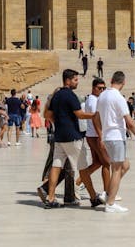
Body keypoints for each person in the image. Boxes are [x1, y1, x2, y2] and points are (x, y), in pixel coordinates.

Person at [95, 71, 135, 213]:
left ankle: (107, 195)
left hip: (108, 137)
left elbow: (96, 118)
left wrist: (101, 135)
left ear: (111, 80)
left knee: (125, 165)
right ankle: (110, 204)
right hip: (116, 136)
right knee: (116, 170)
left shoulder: (102, 95)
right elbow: (129, 122)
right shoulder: (118, 98)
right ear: (123, 83)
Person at [42, 69, 95, 208]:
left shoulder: (57, 95)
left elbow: (47, 114)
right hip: (73, 137)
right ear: (68, 80)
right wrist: (95, 115)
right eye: (75, 80)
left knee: (56, 166)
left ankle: (51, 198)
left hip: (59, 136)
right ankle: (94, 198)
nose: (77, 82)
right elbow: (80, 114)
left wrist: (59, 122)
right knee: (82, 168)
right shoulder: (70, 96)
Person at [78, 78, 111, 207]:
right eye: (99, 88)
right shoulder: (93, 101)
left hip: (92, 135)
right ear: (93, 88)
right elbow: (95, 119)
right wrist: (101, 136)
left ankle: (79, 182)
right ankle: (108, 193)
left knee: (97, 162)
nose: (102, 90)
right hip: (96, 135)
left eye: (104, 88)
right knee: (107, 163)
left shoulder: (94, 99)